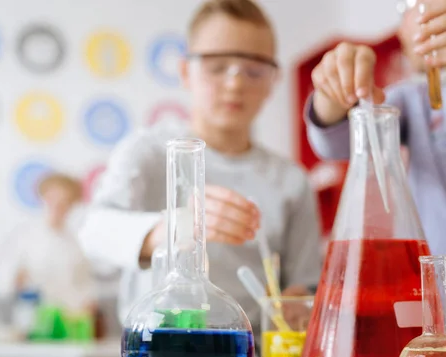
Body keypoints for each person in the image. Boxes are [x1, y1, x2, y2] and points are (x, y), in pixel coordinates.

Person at [79, 0, 322, 329]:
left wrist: (302, 301)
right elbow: (94, 232)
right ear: (185, 72)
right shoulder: (147, 152)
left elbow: (307, 282)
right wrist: (174, 229)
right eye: (217, 66)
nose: (235, 83)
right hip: (156, 354)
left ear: (273, 81)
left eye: (253, 70)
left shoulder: (291, 181)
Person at [305, 0, 446, 254]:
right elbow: (336, 142)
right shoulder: (412, 100)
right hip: (434, 288)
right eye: (408, 6)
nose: (425, 14)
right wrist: (333, 92)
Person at [0, 174, 95, 317]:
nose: (57, 206)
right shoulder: (24, 236)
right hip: (33, 319)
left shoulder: (77, 243)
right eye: (52, 199)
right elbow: (3, 282)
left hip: (69, 321)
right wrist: (16, 279)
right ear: (43, 198)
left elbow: (85, 287)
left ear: (72, 205)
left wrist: (87, 306)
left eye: (64, 201)